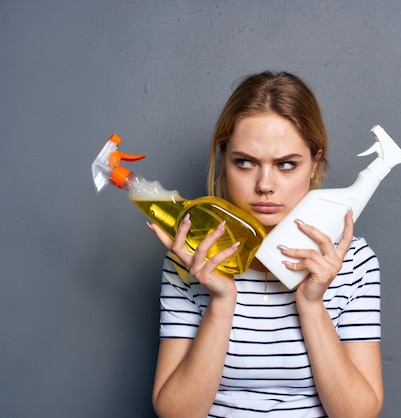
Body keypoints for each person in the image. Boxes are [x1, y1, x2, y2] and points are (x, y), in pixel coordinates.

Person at [148, 71, 384, 417]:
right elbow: (176, 414)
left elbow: (357, 414)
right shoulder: (190, 257)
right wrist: (221, 302)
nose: (265, 185)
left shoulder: (355, 263)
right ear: (224, 160)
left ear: (315, 164)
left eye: (286, 164)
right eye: (244, 162)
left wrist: (312, 304)